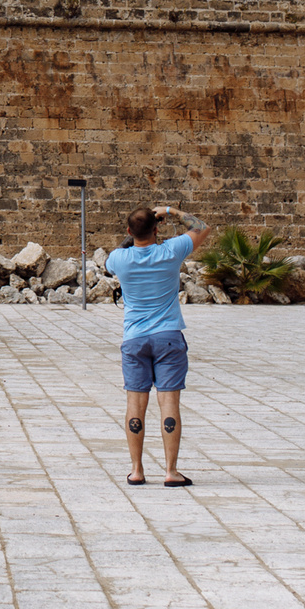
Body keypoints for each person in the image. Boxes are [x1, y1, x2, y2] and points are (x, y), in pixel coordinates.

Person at [106, 203, 209, 488]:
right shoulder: (171, 251)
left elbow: (123, 247)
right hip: (168, 337)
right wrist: (170, 211)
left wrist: (138, 228)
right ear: (157, 229)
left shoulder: (120, 259)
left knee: (135, 403)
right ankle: (171, 471)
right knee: (169, 403)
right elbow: (201, 227)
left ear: (129, 230)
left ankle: (137, 470)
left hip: (134, 339)